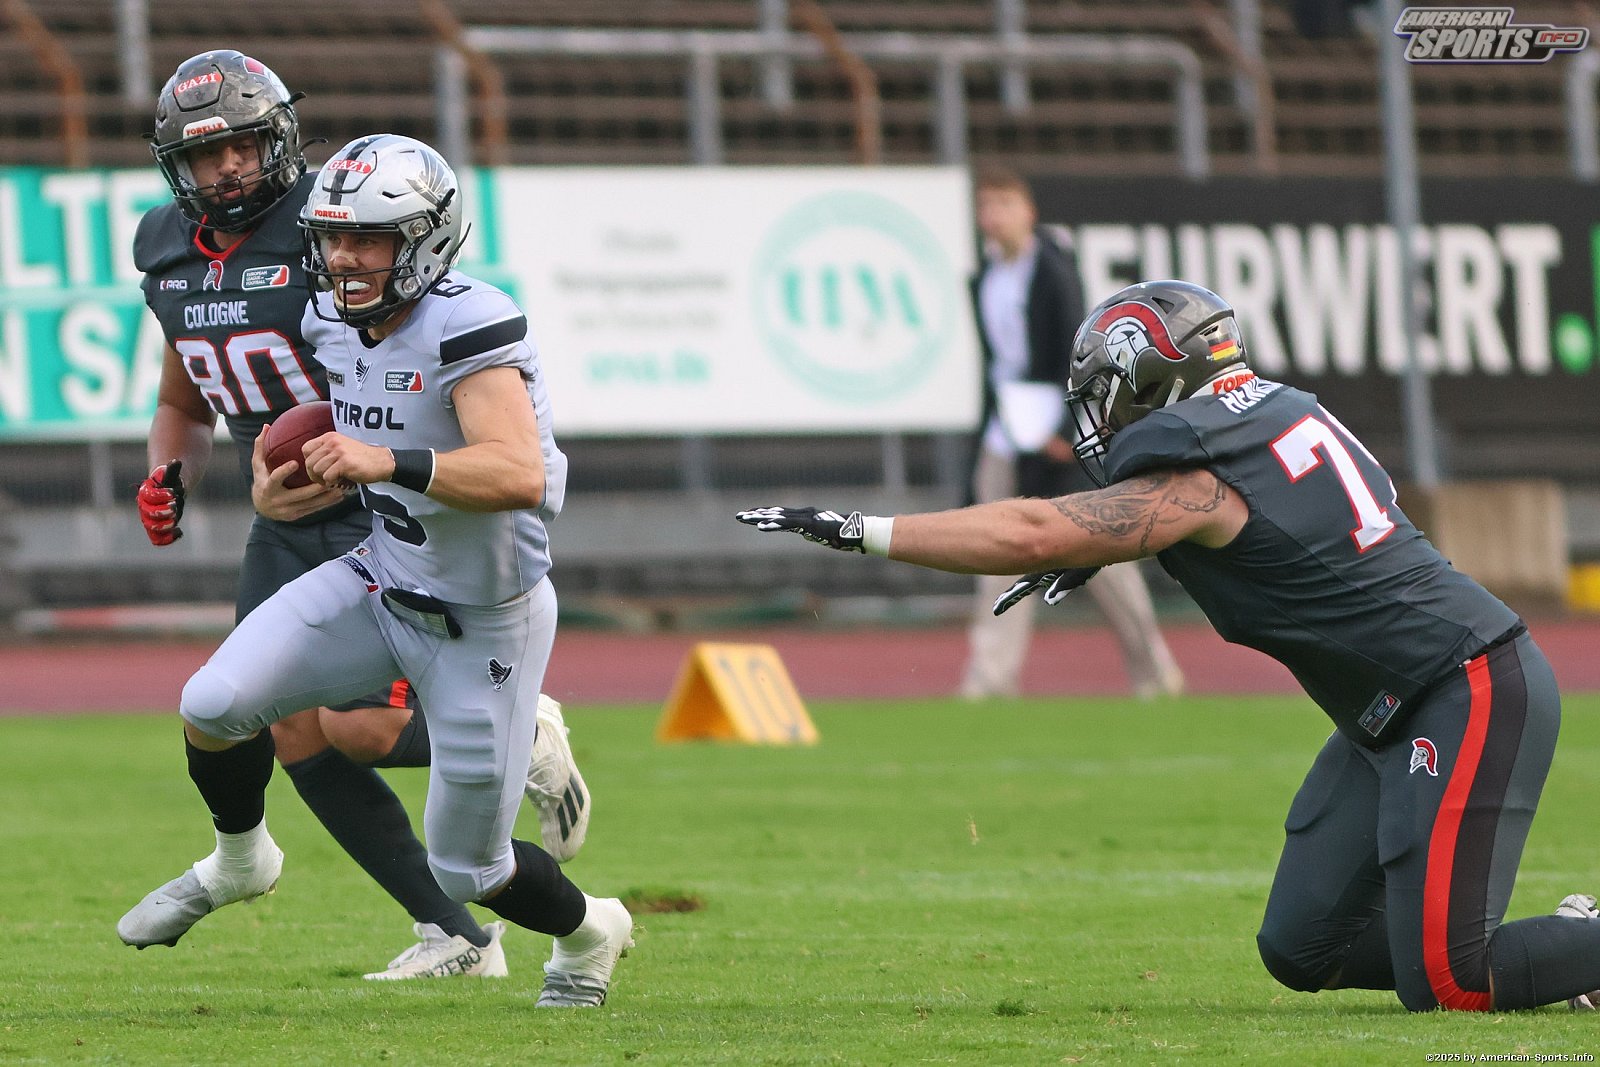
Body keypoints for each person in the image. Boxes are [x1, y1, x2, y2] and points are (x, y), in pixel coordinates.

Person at [737, 279, 1600, 1013]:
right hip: (1390, 705)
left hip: (1463, 684)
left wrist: (867, 530)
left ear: (1154, 376)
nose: (1103, 419)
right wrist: (1112, 542)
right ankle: (1569, 948)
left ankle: (1575, 951)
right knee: (1305, 944)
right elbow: (1280, 526)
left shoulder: (1201, 463)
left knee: (1454, 981)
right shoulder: (1271, 415)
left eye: (1109, 393)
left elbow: (1035, 530)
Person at [121, 132, 633, 1008]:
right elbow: (272, 396)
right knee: (213, 702)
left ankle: (591, 929)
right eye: (332, 238)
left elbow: (521, 473)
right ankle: (240, 858)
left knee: (472, 869)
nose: (345, 258)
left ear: (426, 240)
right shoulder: (327, 316)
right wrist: (278, 477)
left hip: (484, 617)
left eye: (369, 239)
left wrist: (385, 461)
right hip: (377, 576)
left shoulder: (468, 320)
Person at [961, 167, 1182, 700]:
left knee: (1097, 553)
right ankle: (990, 680)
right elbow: (996, 365)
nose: (993, 216)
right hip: (1005, 433)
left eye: (1004, 204)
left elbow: (1078, 350)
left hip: (1054, 433)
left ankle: (1154, 672)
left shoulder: (1053, 269)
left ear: (1028, 212)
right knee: (995, 551)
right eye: (985, 205)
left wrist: (1067, 426)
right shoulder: (984, 276)